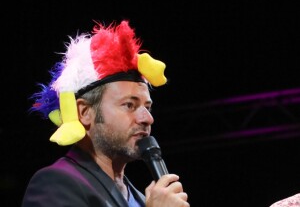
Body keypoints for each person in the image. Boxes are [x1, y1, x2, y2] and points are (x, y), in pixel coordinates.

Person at [21, 20, 189, 207]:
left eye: (147, 107)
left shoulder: (141, 200)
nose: (147, 118)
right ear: (84, 112)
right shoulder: (55, 184)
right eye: (129, 105)